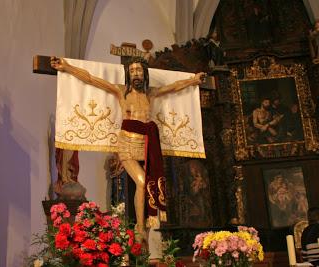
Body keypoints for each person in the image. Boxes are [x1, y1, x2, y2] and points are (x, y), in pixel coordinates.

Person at [51, 56, 204, 245]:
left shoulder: (151, 94)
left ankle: (143, 232)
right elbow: (91, 79)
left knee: (146, 185)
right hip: (127, 146)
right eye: (132, 71)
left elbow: (174, 87)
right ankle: (140, 228)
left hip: (146, 145)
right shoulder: (121, 91)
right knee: (142, 182)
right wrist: (67, 67)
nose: (136, 74)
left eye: (139, 70)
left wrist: (193, 81)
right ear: (128, 74)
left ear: (144, 73)